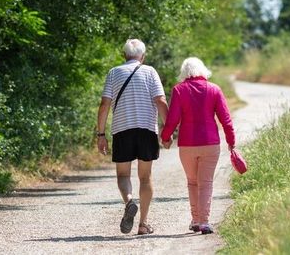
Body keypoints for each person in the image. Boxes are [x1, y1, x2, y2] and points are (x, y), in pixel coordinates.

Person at [96, 39, 169, 235]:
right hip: (146, 129)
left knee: (123, 175)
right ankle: (143, 224)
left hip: (122, 130)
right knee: (145, 177)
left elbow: (104, 105)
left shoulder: (114, 72)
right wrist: (168, 131)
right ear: (142, 57)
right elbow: (160, 101)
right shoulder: (150, 72)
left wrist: (101, 134)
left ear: (124, 55)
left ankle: (129, 201)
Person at [160, 57, 235, 235]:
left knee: (192, 182)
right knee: (206, 183)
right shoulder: (214, 89)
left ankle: (195, 220)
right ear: (203, 70)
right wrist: (231, 141)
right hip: (210, 143)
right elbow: (226, 120)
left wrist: (165, 137)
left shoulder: (179, 90)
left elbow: (172, 119)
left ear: (184, 72)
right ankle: (204, 222)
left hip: (187, 144)